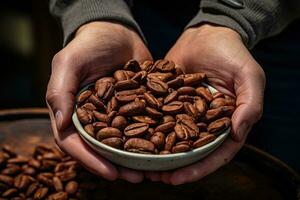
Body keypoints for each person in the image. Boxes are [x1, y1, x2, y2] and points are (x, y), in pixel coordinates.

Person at [46, 0, 300, 185]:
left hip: (276, 32)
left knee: (272, 171)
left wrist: (232, 17)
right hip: (144, 14)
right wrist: (96, 14)